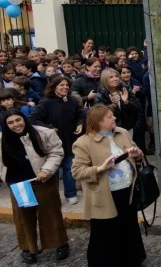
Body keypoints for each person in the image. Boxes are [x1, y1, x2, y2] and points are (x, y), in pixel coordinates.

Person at [71, 105, 146, 267]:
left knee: (129, 228)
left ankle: (132, 260)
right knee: (105, 234)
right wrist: (100, 168)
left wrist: (137, 154)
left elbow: (138, 154)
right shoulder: (83, 143)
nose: (114, 119)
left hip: (128, 192)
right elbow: (77, 172)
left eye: (113, 116)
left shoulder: (122, 132)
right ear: (98, 122)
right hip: (104, 196)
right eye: (110, 117)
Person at [0, 110, 70, 264]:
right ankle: (28, 248)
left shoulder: (44, 133)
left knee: (51, 214)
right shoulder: (2, 139)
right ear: (6, 125)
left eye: (18, 120)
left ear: (24, 119)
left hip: (42, 180)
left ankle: (60, 244)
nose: (16, 124)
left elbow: (56, 152)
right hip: (19, 184)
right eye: (10, 122)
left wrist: (46, 170)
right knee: (23, 218)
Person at [29, 76, 84, 205]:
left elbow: (80, 114)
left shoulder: (72, 101)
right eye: (61, 85)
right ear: (54, 87)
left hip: (70, 141)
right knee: (53, 171)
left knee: (69, 168)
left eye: (66, 85)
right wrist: (50, 128)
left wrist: (80, 123)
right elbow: (33, 119)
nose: (65, 87)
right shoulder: (46, 102)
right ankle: (53, 197)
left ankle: (71, 194)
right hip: (52, 144)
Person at [94, 68, 141, 134]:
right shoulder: (100, 95)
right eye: (111, 77)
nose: (115, 79)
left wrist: (126, 102)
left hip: (128, 128)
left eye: (116, 76)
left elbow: (138, 108)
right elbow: (99, 115)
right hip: (110, 130)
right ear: (105, 80)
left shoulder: (125, 89)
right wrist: (113, 105)